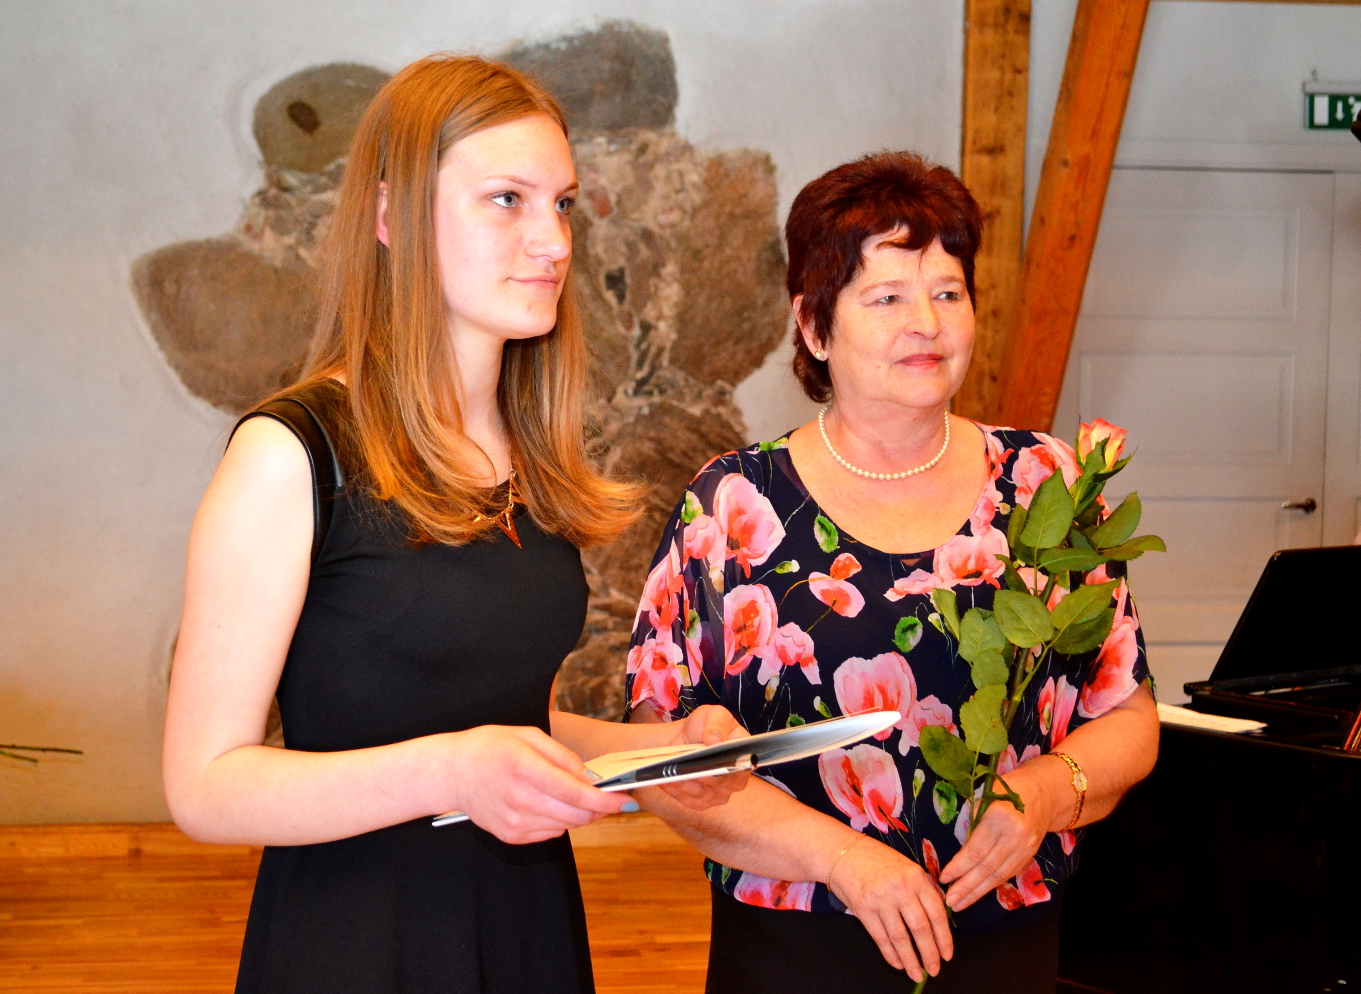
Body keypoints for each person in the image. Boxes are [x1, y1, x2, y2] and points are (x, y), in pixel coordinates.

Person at [161, 55, 749, 994]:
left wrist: (662, 752)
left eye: (562, 204)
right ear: (391, 218)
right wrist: (452, 774)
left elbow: (501, 725)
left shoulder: (528, 451)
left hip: (525, 930)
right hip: (357, 949)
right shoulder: (291, 454)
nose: (553, 241)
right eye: (507, 200)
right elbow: (205, 786)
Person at [625, 151, 1160, 994]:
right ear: (814, 326)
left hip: (1007, 938)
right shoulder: (731, 504)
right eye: (887, 299)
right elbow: (662, 757)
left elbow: (1128, 713)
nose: (927, 324)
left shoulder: (1044, 484)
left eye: (948, 293)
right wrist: (844, 860)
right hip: (796, 950)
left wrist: (1047, 794)